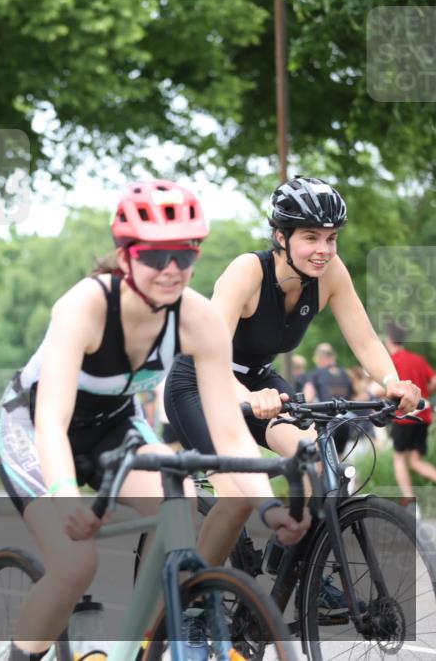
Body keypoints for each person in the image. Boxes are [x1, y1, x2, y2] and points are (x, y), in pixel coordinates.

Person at [0, 181, 308, 661]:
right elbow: (51, 420)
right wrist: (66, 504)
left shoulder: (198, 318)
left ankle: (134, 646)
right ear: (125, 255)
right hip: (36, 427)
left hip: (112, 427)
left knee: (180, 503)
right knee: (76, 563)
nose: (170, 271)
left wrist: (269, 508)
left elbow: (229, 431)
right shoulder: (84, 306)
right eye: (154, 256)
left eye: (183, 257)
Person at [164, 176, 421, 582]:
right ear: (281, 236)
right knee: (237, 500)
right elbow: (209, 359)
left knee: (320, 467)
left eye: (331, 238)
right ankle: (188, 602)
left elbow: (367, 340)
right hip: (199, 383)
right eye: (310, 237)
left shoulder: (331, 273)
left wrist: (393, 381)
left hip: (261, 384)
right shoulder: (247, 272)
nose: (323, 250)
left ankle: (292, 565)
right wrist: (249, 396)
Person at [384, 323, 436, 507]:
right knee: (414, 461)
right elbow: (434, 380)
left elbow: (381, 388)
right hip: (423, 416)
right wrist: (425, 392)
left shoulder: (392, 362)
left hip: (403, 416)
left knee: (399, 457)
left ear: (389, 338)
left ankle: (410, 500)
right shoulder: (419, 359)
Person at [304, 343, 357, 453]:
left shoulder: (316, 374)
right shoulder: (346, 373)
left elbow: (307, 398)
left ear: (320, 358)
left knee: (325, 459)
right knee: (340, 458)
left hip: (327, 422)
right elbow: (359, 395)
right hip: (347, 420)